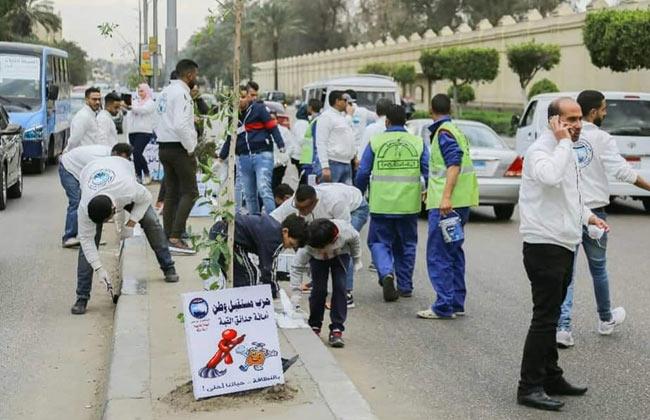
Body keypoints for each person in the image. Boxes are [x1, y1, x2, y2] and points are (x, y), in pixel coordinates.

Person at [516, 97, 609, 411]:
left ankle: (552, 377)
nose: (578, 125)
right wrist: (563, 142)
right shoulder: (541, 151)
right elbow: (551, 177)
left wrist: (588, 216)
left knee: (552, 316)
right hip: (544, 245)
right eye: (570, 119)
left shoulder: (562, 150)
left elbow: (568, 193)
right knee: (544, 319)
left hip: (564, 242)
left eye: (580, 118)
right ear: (554, 122)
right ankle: (528, 387)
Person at [556, 90, 650, 347]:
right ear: (594, 111)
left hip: (568, 210)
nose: (606, 113)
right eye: (604, 109)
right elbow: (621, 171)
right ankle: (605, 319)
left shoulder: (562, 135)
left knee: (567, 271)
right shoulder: (602, 138)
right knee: (598, 269)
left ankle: (563, 328)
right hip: (595, 213)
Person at [71, 155, 179, 315]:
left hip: (121, 169)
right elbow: (86, 241)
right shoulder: (84, 207)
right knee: (89, 242)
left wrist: (131, 223)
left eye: (108, 219)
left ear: (115, 208)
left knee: (151, 220)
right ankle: (82, 297)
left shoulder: (127, 189)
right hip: (90, 172)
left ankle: (168, 266)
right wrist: (99, 269)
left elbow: (147, 198)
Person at [355, 104, 428, 301]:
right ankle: (405, 286)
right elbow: (428, 171)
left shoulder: (376, 142)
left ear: (386, 122)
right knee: (407, 245)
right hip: (408, 205)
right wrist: (430, 192)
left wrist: (357, 193)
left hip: (381, 205)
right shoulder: (417, 142)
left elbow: (363, 171)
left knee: (378, 242)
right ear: (405, 122)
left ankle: (386, 273)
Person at [417, 94, 479, 320]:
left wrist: (444, 197)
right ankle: (455, 302)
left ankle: (443, 306)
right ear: (449, 108)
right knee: (453, 251)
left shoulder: (443, 133)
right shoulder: (454, 129)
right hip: (459, 203)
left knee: (439, 254)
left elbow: (454, 165)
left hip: (446, 206)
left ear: (430, 109)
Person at [271, 183, 368, 307]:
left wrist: (356, 259)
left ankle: (346, 294)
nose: (300, 212)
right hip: (332, 210)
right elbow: (273, 217)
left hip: (356, 208)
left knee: (341, 249)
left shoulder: (335, 202)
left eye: (304, 209)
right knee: (312, 241)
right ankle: (317, 282)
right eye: (297, 207)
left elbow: (346, 234)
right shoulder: (296, 201)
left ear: (315, 202)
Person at [290, 219, 361, 348]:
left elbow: (356, 240)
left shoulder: (346, 232)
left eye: (323, 248)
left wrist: (357, 259)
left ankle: (337, 329)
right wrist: (295, 293)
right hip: (317, 261)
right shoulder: (307, 246)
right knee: (319, 289)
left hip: (341, 253)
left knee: (340, 287)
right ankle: (315, 325)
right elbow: (296, 267)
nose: (323, 252)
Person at [155, 59, 200, 254]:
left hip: (164, 146)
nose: (195, 79)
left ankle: (168, 235)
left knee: (172, 192)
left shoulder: (165, 92)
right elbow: (181, 125)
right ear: (189, 75)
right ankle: (175, 235)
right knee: (191, 192)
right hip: (179, 148)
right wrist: (190, 148)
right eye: (195, 75)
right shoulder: (182, 94)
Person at [218, 84, 285, 214]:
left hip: (262, 155)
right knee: (249, 194)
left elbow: (272, 127)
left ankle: (273, 221)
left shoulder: (259, 109)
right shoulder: (233, 115)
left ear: (248, 96)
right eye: (237, 98)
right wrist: (221, 157)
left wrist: (281, 145)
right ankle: (255, 222)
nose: (240, 100)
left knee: (263, 188)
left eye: (243, 97)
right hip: (244, 157)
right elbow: (230, 138)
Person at [209, 214, 307, 299]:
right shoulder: (275, 239)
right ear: (285, 232)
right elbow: (268, 269)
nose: (289, 247)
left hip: (219, 232)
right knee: (248, 278)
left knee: (245, 275)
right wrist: (273, 292)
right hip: (226, 237)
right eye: (291, 243)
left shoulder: (273, 227)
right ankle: (245, 308)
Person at [59, 143, 131, 248]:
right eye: (121, 159)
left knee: (94, 202)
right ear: (115, 153)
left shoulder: (111, 157)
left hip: (81, 169)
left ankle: (92, 238)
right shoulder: (99, 159)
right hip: (68, 168)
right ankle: (69, 237)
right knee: (76, 202)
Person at [315, 90, 356, 184]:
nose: (347, 104)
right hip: (333, 162)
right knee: (330, 195)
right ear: (337, 101)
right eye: (345, 100)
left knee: (345, 195)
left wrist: (354, 155)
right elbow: (321, 142)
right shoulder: (326, 117)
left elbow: (348, 136)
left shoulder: (341, 117)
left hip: (346, 163)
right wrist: (325, 166)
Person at [128, 83, 156, 184]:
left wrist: (131, 107)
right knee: (135, 155)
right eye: (139, 91)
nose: (140, 93)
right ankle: (138, 176)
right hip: (133, 131)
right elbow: (130, 111)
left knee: (137, 152)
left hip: (144, 131)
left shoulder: (150, 103)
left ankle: (147, 173)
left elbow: (143, 110)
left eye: (142, 91)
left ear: (147, 91)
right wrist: (126, 106)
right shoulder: (135, 101)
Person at [298, 99, 323, 184]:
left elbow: (317, 142)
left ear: (310, 107)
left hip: (311, 161)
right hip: (308, 160)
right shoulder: (314, 120)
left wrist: (314, 162)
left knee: (312, 187)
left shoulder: (316, 121)